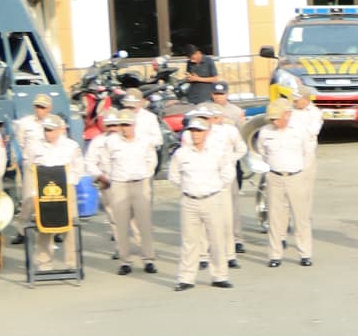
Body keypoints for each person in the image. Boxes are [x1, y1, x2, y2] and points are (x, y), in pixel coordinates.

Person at [86, 91, 161, 274]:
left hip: (139, 183)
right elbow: (103, 161)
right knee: (120, 224)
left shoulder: (143, 141)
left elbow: (152, 159)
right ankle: (125, 261)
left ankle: (148, 258)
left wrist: (146, 175)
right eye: (122, 125)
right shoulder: (110, 142)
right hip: (119, 184)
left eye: (127, 124)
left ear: (133, 125)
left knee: (143, 223)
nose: (124, 128)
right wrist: (107, 178)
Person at [168, 109, 241, 290]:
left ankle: (220, 276)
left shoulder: (216, 152)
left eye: (199, 131)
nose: (196, 134)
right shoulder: (182, 153)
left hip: (212, 199)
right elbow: (174, 175)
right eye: (193, 131)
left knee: (216, 239)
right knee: (190, 241)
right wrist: (187, 189)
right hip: (190, 200)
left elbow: (227, 172)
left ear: (207, 132)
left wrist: (216, 187)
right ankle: (186, 278)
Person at [256, 86, 322, 266]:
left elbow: (307, 152)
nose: (274, 121)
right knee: (276, 218)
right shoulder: (266, 132)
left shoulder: (299, 130)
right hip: (275, 177)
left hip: (296, 176)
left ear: (286, 115)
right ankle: (275, 255)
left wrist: (299, 171)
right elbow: (262, 151)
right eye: (272, 119)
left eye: (277, 118)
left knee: (301, 217)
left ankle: (305, 253)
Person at [19, 107, 84, 277]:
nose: (48, 133)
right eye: (46, 130)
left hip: (66, 189)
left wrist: (71, 183)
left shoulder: (70, 146)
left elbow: (79, 167)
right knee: (44, 226)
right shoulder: (35, 146)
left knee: (69, 226)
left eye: (51, 130)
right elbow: (29, 165)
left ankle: (72, 263)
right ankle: (44, 262)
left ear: (59, 130)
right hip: (44, 190)